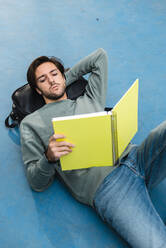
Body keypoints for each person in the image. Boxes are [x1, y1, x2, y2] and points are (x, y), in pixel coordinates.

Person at [20, 48, 166, 248]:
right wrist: (49, 158)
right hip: (110, 188)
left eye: (54, 74)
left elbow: (100, 57)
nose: (51, 80)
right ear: (36, 89)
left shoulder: (89, 99)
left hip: (136, 156)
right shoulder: (31, 124)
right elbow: (35, 182)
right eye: (43, 80)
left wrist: (63, 79)